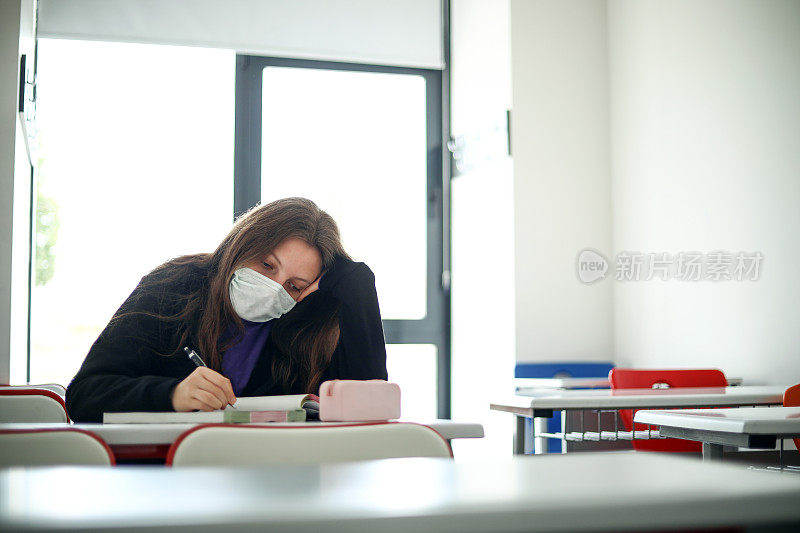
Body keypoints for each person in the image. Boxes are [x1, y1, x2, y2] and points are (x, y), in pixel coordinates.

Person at [65, 197, 388, 422]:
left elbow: (370, 410)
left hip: (273, 484)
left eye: (294, 286)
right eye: (266, 265)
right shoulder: (174, 285)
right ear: (244, 243)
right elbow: (85, 395)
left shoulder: (306, 326)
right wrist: (173, 394)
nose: (275, 286)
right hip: (166, 479)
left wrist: (359, 288)